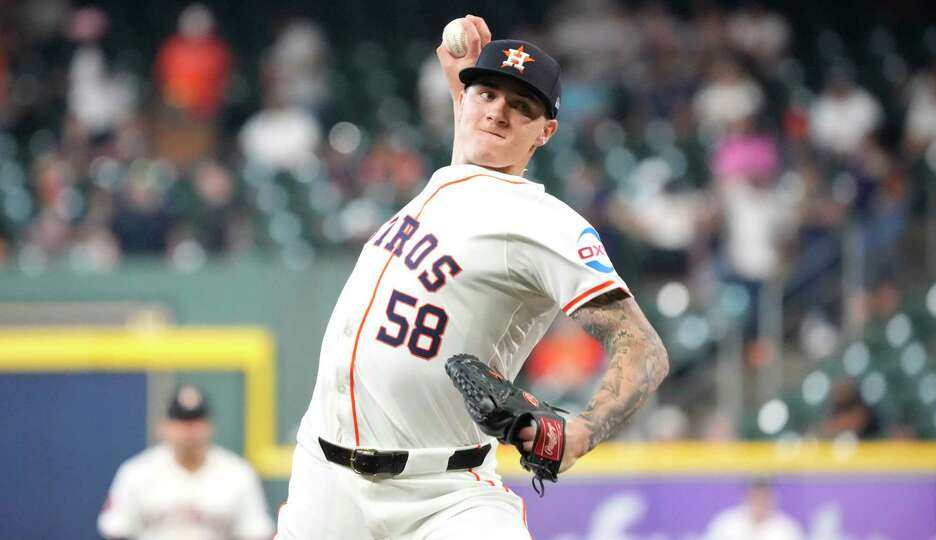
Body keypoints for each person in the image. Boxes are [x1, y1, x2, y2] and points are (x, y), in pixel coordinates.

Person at [276, 15, 669, 539]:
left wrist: (578, 432)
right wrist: (462, 71)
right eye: (487, 95)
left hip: (444, 498)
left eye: (522, 107)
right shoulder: (454, 175)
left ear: (545, 132)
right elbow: (474, 124)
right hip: (325, 482)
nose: (499, 113)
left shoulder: (541, 220)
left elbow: (643, 348)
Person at [98, 385, 274, 540]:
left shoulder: (238, 474)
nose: (189, 430)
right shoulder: (136, 473)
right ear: (163, 426)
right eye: (181, 422)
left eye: (196, 422)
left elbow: (255, 533)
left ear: (209, 426)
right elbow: (117, 530)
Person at [704, 478, 804, 540]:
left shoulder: (786, 528)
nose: (759, 503)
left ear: (773, 498)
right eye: (755, 497)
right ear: (746, 497)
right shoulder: (726, 524)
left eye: (764, 497)